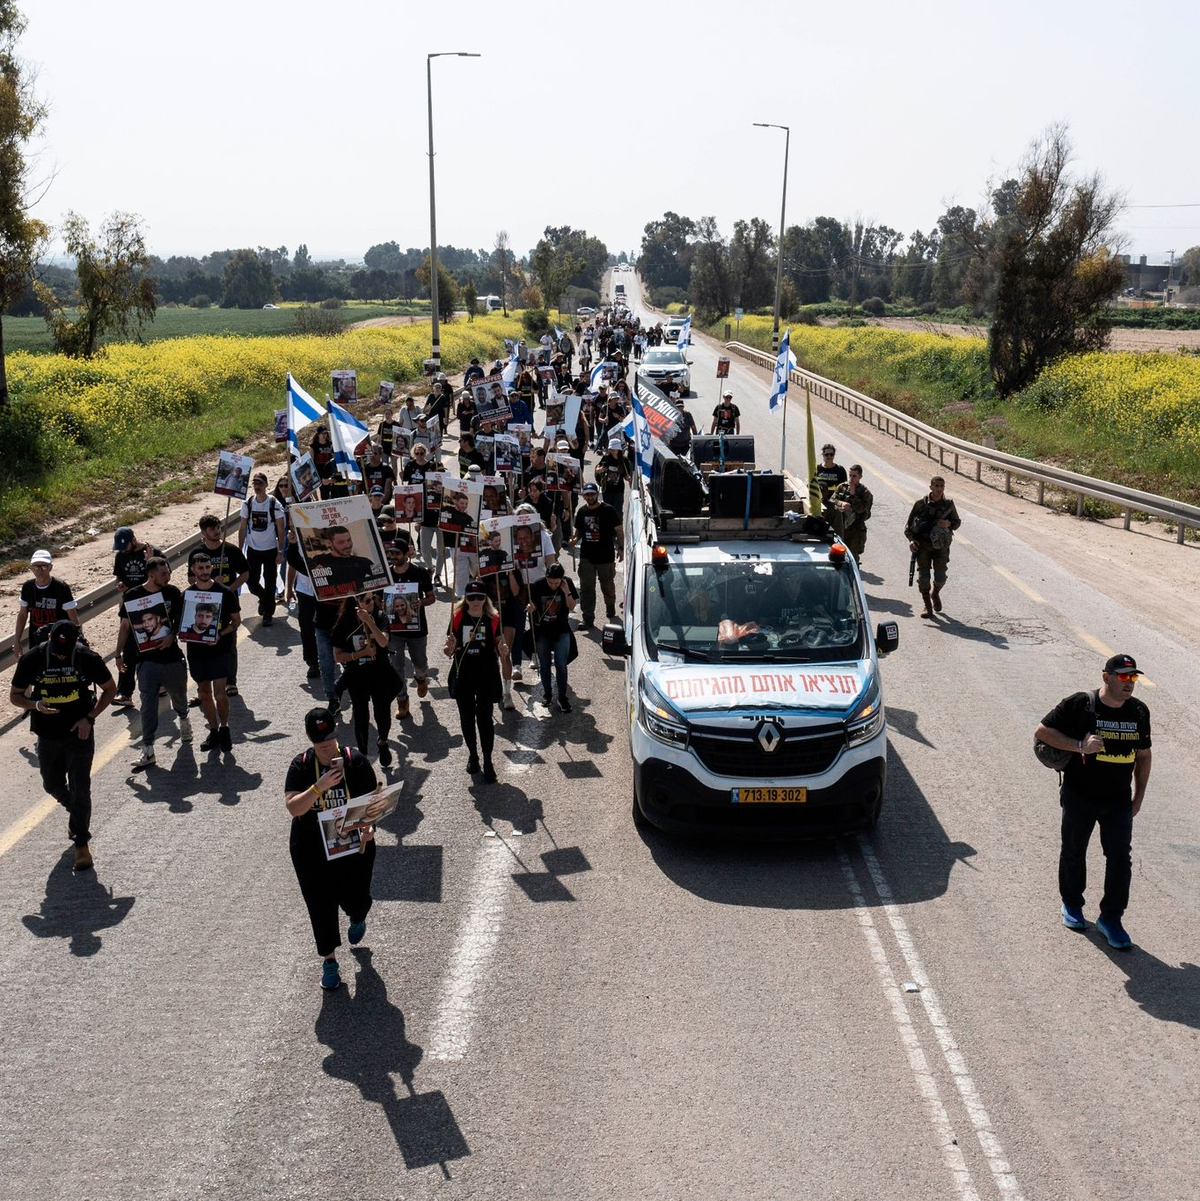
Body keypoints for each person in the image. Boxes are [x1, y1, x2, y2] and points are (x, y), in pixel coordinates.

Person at [1034, 654, 1153, 950]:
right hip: (1080, 795)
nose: (1129, 684)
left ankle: (1111, 918)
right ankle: (1072, 904)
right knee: (1074, 850)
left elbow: (1144, 755)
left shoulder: (1139, 711)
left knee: (1119, 860)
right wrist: (1078, 746)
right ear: (1106, 677)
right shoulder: (1081, 703)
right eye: (1123, 677)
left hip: (1118, 801)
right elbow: (1042, 732)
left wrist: (1138, 797)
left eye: (1133, 678)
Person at [284, 708, 380, 992]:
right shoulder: (301, 765)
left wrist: (370, 826)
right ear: (309, 738)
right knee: (319, 904)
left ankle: (358, 913)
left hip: (351, 843)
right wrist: (319, 786)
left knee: (357, 897)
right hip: (311, 847)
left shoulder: (355, 761)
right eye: (318, 741)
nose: (325, 745)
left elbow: (373, 801)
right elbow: (293, 807)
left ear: (336, 732)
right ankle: (329, 961)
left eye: (328, 739)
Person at [10, 621, 117, 871]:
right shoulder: (33, 659)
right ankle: (76, 811)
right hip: (47, 735)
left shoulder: (86, 657)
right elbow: (15, 697)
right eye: (57, 651)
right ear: (49, 639)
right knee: (51, 784)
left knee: (81, 787)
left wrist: (89, 718)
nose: (60, 655)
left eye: (65, 651)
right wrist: (35, 706)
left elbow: (110, 689)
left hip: (79, 733)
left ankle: (81, 841)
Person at [115, 556, 191, 770]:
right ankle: (148, 749)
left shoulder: (172, 593)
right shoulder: (133, 595)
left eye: (168, 572)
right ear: (151, 575)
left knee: (179, 697)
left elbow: (180, 620)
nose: (168, 576)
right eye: (163, 573)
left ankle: (184, 719)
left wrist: (172, 636)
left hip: (172, 659)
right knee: (148, 706)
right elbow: (125, 626)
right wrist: (118, 653)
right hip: (147, 662)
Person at [443, 580, 508, 782]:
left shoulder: (493, 619)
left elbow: (499, 646)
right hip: (464, 674)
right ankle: (473, 755)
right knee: (466, 718)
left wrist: (503, 651)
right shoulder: (457, 616)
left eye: (480, 597)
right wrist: (450, 648)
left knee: (485, 718)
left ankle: (488, 761)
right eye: (472, 598)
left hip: (486, 674)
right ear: (466, 599)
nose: (476, 601)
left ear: (485, 598)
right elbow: (448, 651)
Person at [331, 592, 398, 768]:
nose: (372, 603)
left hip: (380, 673)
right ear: (357, 603)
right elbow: (338, 657)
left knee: (383, 714)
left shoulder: (380, 616)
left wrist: (369, 621)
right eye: (367, 601)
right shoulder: (344, 623)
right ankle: (363, 755)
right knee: (361, 716)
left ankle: (383, 742)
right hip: (357, 675)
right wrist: (361, 654)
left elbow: (383, 642)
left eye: (373, 599)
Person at [183, 552, 241, 753]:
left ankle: (225, 728)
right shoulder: (187, 596)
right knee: (204, 694)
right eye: (200, 568)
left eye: (208, 568)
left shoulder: (225, 592)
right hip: (197, 653)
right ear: (193, 570)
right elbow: (181, 624)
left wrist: (220, 634)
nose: (205, 572)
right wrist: (184, 634)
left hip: (220, 650)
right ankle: (213, 730)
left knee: (220, 693)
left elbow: (237, 621)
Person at [188, 515, 249, 697]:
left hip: (227, 604)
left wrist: (228, 588)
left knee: (228, 643)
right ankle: (203, 685)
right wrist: (210, 582)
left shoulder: (230, 550)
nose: (217, 532)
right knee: (203, 641)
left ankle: (230, 680)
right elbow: (191, 579)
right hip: (204, 605)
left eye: (218, 528)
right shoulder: (196, 554)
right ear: (203, 532)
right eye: (213, 529)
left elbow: (245, 573)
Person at [384, 532, 435, 721]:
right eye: (391, 553)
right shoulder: (386, 574)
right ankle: (402, 700)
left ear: (407, 553)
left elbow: (431, 597)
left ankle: (421, 678)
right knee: (396, 667)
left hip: (417, 629)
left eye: (397, 553)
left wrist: (420, 603)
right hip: (394, 631)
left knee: (419, 662)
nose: (394, 557)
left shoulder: (419, 573)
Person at [111, 526, 163, 707]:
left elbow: (164, 577)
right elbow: (118, 576)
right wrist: (120, 585)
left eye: (125, 546)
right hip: (129, 606)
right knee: (129, 649)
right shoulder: (121, 556)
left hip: (151, 605)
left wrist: (150, 562)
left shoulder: (152, 552)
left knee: (155, 643)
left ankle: (161, 682)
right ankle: (124, 692)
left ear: (134, 539)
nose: (123, 550)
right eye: (120, 548)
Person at [904, 476, 962, 618]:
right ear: (930, 487)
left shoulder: (948, 505)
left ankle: (935, 594)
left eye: (941, 486)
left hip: (941, 546)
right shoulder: (920, 505)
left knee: (941, 577)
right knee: (923, 577)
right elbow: (908, 527)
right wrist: (912, 541)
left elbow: (957, 522)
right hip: (923, 546)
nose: (939, 489)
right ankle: (927, 605)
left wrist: (948, 524)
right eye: (936, 486)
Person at [570, 482, 623, 629]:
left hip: (605, 556)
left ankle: (610, 605)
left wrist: (621, 548)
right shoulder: (581, 512)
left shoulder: (608, 510)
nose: (590, 497)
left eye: (592, 494)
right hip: (587, 556)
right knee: (587, 587)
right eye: (587, 494)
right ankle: (588, 618)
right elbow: (579, 531)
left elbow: (619, 530)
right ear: (583, 496)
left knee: (607, 584)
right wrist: (574, 540)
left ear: (597, 493)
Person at [528, 563, 578, 712]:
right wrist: (531, 607)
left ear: (561, 579)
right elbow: (533, 606)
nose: (553, 585)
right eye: (550, 582)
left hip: (561, 630)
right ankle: (547, 694)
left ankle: (562, 697)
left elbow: (572, 606)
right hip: (543, 631)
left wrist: (566, 592)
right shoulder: (538, 585)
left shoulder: (567, 583)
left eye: (556, 583)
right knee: (544, 664)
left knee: (561, 665)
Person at [239, 471, 286, 627]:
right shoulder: (248, 503)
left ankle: (268, 613)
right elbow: (242, 527)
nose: (257, 486)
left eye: (260, 483)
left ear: (266, 485)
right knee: (251, 581)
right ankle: (265, 598)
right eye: (255, 483)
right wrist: (239, 550)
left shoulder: (274, 504)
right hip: (253, 549)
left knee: (270, 581)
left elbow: (280, 529)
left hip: (270, 550)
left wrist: (280, 552)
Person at [14, 550, 81, 655]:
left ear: (50, 567)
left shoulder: (60, 587)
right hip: (37, 641)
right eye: (36, 566)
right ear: (31, 568)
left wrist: (79, 639)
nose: (39, 570)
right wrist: (17, 641)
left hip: (60, 640)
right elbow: (22, 615)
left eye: (44, 566)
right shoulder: (28, 587)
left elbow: (73, 617)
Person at [308, 526, 382, 599]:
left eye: (349, 540)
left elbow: (383, 577)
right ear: (329, 543)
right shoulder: (319, 560)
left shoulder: (364, 561)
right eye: (341, 542)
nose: (347, 545)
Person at [830, 465, 874, 562]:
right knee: (837, 554)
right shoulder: (842, 487)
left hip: (855, 530)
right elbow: (832, 500)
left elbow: (862, 509)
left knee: (853, 557)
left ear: (860, 476)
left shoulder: (865, 492)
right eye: (850, 475)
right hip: (840, 527)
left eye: (854, 476)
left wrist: (853, 496)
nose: (851, 478)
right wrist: (841, 503)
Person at [595, 437, 631, 511]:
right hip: (607, 489)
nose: (611, 451)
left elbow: (626, 475)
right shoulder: (606, 458)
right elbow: (597, 470)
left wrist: (628, 478)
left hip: (619, 490)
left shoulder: (624, 461)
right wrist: (601, 469)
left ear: (618, 449)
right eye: (610, 449)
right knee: (608, 511)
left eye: (613, 449)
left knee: (618, 510)